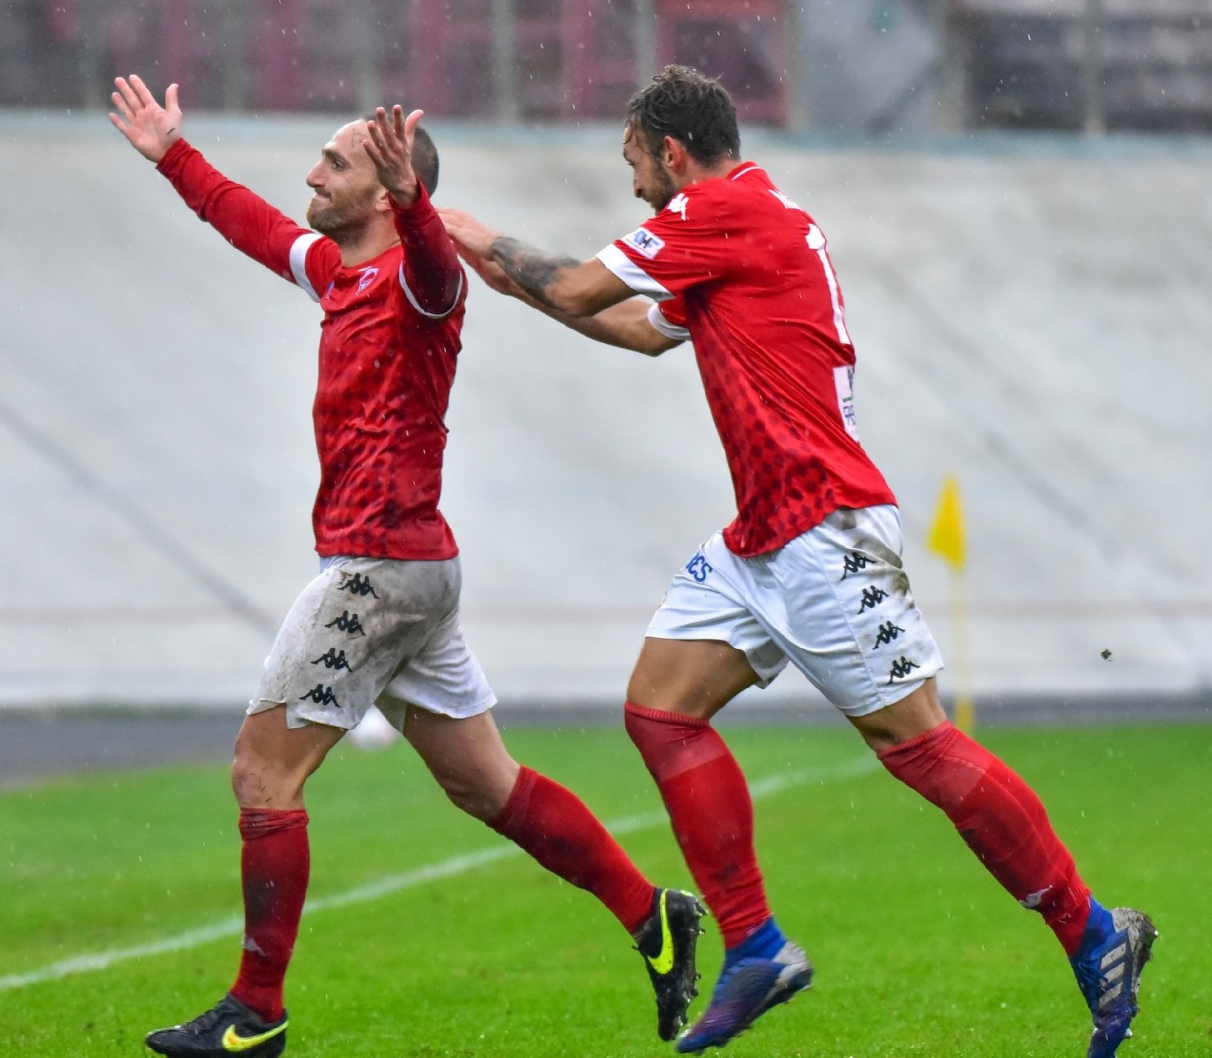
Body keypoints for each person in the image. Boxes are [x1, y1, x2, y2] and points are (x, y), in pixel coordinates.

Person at [441, 64, 1157, 1058]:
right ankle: (755, 946)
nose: (633, 183)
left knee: (923, 750)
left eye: (634, 162)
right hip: (761, 536)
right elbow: (634, 330)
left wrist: (457, 227)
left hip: (821, 528)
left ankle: (1091, 933)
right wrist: (511, 280)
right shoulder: (741, 219)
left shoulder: (719, 211)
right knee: (659, 708)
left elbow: (575, 282)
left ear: (673, 153)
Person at [108, 75, 705, 1058]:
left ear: (384, 192)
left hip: (377, 572)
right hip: (414, 571)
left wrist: (417, 203)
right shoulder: (337, 273)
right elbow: (248, 222)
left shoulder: (423, 280)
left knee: (262, 771)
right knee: (489, 788)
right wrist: (173, 153)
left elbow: (434, 256)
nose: (312, 172)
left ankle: (256, 1012)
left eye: (335, 162)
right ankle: (653, 916)